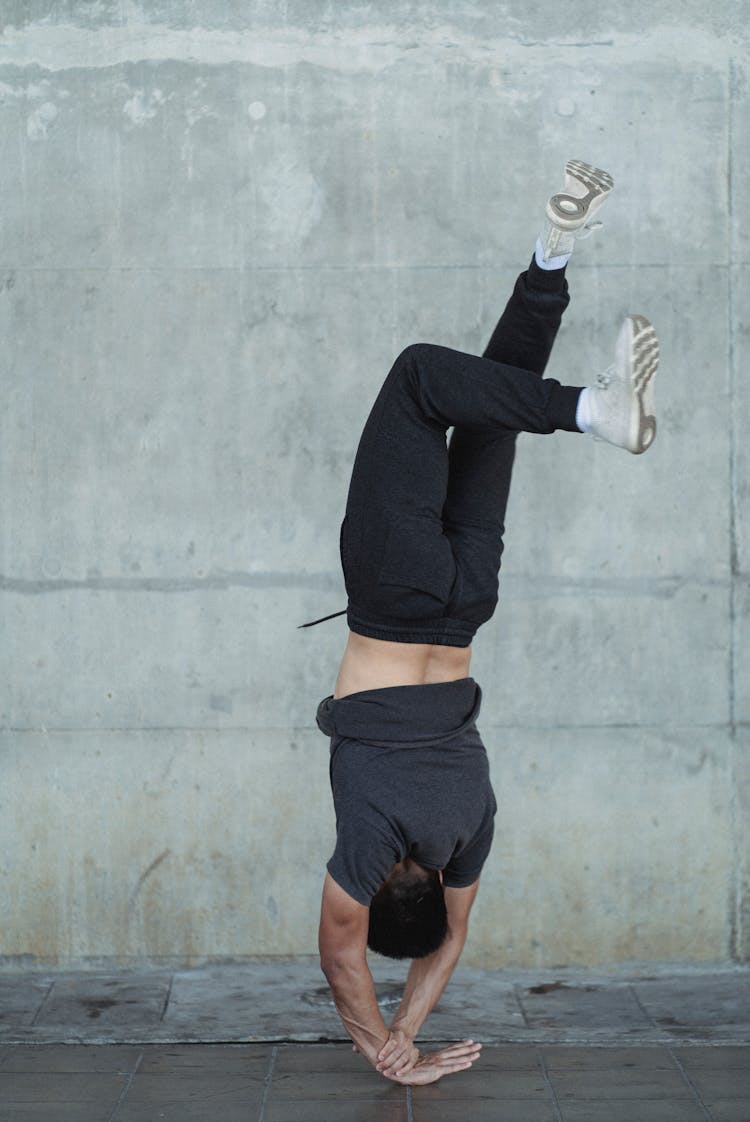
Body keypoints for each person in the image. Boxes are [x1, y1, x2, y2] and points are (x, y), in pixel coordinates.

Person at [303, 161, 659, 1085]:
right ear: (381, 890)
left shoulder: (469, 828)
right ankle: (592, 410)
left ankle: (551, 259)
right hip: (397, 594)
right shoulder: (367, 844)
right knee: (424, 378)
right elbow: (340, 954)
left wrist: (405, 1039)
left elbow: (453, 939)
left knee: (490, 406)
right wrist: (370, 1037)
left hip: (467, 605)